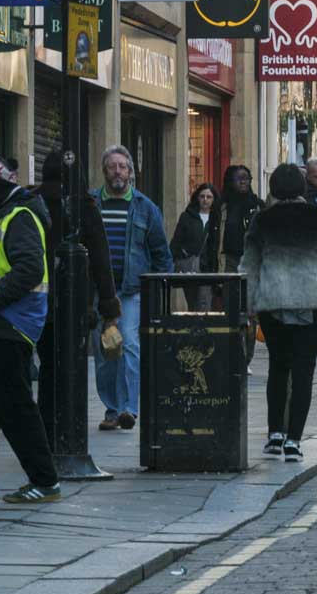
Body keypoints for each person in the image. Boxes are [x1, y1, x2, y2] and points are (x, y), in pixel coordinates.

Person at [241, 162, 317, 463]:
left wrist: (247, 303)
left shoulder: (262, 220)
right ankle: (294, 441)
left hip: (274, 300)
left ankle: (275, 434)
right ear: (302, 187)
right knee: (304, 370)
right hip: (313, 299)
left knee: (278, 367)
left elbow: (249, 264)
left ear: (273, 188)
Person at [0, 156, 63, 504]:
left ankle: (46, 480)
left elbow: (28, 270)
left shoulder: (20, 216)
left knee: (15, 408)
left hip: (11, 324)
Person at [33, 149, 120, 437]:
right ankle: (69, 425)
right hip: (75, 303)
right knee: (72, 365)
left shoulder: (33, 202)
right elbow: (100, 259)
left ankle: (47, 424)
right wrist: (109, 307)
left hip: (38, 300)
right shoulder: (84, 206)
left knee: (47, 365)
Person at [93, 145, 172, 432]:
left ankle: (129, 408)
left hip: (130, 291)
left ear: (130, 172)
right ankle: (112, 409)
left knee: (128, 346)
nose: (117, 171)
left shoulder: (144, 207)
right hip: (98, 292)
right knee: (104, 352)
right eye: (112, 166)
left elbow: (161, 253)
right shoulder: (91, 204)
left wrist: (162, 290)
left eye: (122, 167)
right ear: (104, 171)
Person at [206, 164, 262, 278]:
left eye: (246, 178)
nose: (243, 182)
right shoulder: (220, 207)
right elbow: (212, 238)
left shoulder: (258, 205)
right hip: (227, 259)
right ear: (231, 181)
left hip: (251, 258)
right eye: (239, 179)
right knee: (228, 293)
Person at [170, 182, 216, 311]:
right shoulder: (187, 216)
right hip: (189, 266)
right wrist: (177, 256)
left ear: (214, 199)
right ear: (197, 198)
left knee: (204, 303)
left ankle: (201, 329)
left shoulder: (217, 218)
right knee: (192, 303)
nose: (205, 200)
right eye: (202, 196)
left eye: (209, 197)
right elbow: (176, 241)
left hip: (208, 267)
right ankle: (194, 329)